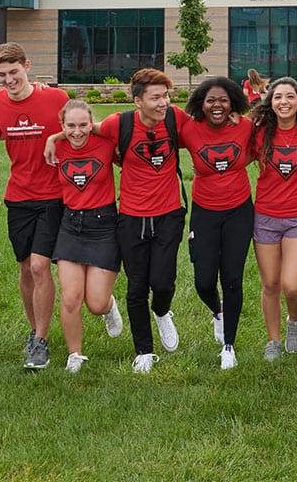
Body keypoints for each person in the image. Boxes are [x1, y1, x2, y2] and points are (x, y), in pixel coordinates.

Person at [0, 42, 120, 370]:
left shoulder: (54, 98)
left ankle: (41, 341)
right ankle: (34, 330)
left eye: (14, 72)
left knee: (41, 265)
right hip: (18, 196)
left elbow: (77, 128)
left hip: (54, 196)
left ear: (27, 65)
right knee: (25, 268)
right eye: (1, 75)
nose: (9, 80)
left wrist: (52, 138)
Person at [102, 69, 190, 373]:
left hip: (169, 213)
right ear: (138, 100)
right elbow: (85, 131)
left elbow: (208, 132)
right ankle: (144, 350)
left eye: (165, 95)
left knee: (163, 282)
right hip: (131, 216)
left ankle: (162, 312)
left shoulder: (176, 119)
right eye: (155, 97)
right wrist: (55, 138)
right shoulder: (120, 123)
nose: (163, 102)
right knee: (137, 287)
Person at [179, 76, 255, 370]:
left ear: (233, 102)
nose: (217, 105)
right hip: (204, 212)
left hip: (239, 211)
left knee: (232, 279)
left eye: (223, 100)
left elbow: (265, 138)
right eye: (211, 100)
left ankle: (229, 346)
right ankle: (217, 311)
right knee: (204, 280)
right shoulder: (189, 129)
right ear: (202, 103)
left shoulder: (245, 127)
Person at [250, 77, 297, 362]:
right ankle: (273, 340)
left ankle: (294, 320)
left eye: (290, 97)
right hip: (265, 217)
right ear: (271, 102)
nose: (284, 102)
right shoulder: (259, 132)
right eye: (278, 97)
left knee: (292, 285)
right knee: (270, 284)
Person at [50, 100, 122, 373]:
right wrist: (53, 138)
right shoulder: (56, 148)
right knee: (70, 298)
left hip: (104, 226)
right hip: (70, 225)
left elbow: (125, 129)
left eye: (83, 125)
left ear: (92, 124)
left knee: (96, 303)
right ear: (62, 125)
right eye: (70, 126)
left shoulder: (104, 143)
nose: (77, 132)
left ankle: (109, 305)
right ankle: (75, 354)